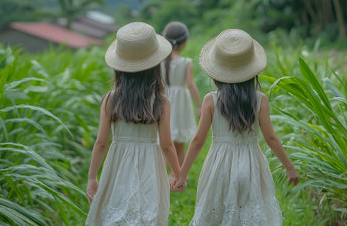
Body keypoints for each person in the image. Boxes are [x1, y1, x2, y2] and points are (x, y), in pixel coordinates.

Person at [173, 29, 300, 225]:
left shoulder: (211, 100)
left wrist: (182, 174)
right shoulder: (260, 100)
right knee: (249, 213)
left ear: (217, 71)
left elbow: (198, 141)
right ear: (252, 70)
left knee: (220, 212)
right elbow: (271, 138)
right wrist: (290, 168)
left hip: (219, 165)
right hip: (251, 164)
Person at [85, 22, 181, 225]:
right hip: (150, 164)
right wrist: (177, 173)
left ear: (120, 67)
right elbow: (166, 145)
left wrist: (92, 177)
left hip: (118, 163)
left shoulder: (111, 99)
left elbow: (101, 142)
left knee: (117, 208)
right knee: (146, 209)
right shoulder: (162, 101)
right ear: (156, 66)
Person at [161, 21, 202, 165]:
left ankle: (163, 172)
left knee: (164, 139)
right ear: (184, 42)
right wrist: (199, 106)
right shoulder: (186, 62)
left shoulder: (159, 61)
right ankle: (176, 174)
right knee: (179, 141)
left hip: (163, 100)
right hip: (180, 103)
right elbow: (191, 84)